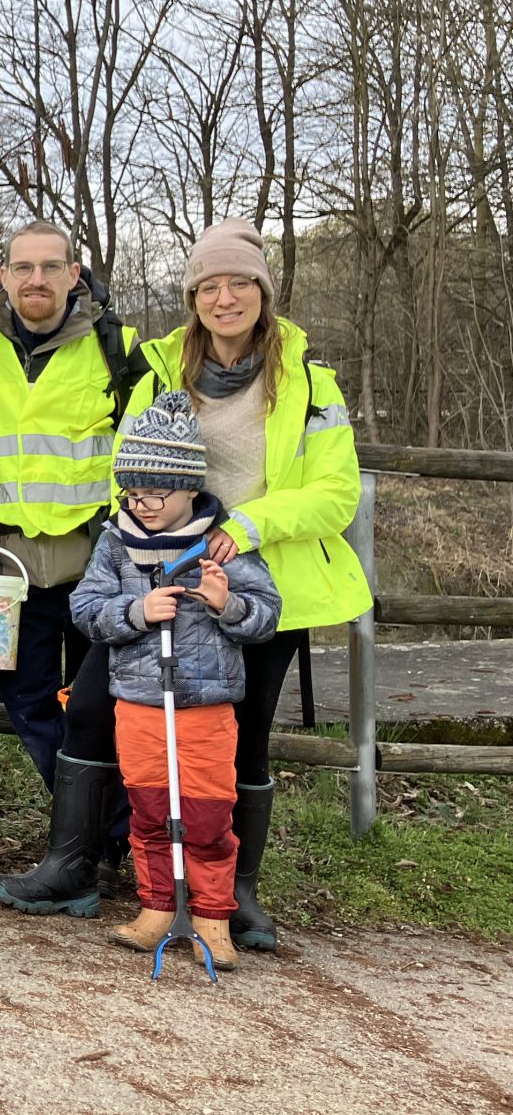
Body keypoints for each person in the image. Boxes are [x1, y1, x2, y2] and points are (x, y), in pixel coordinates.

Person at [109, 220, 370, 951]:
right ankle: (125, 872)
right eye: (209, 286)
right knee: (113, 713)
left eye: (239, 283)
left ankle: (234, 894)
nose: (225, 298)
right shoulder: (160, 374)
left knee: (243, 736)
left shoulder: (312, 384)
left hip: (262, 585)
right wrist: (141, 542)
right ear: (193, 298)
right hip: (165, 574)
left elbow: (336, 493)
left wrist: (249, 525)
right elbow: (124, 470)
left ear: (263, 290)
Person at [0, 222, 145, 911]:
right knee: (26, 702)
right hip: (2, 562)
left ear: (75, 274)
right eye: (22, 268)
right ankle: (109, 838)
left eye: (50, 267)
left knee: (98, 710)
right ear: (3, 278)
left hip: (97, 566)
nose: (36, 279)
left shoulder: (119, 347)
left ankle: (88, 853)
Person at [70, 392, 282, 971]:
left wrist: (226, 603)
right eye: (132, 493)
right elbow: (85, 608)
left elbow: (267, 617)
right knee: (149, 810)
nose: (142, 506)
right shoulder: (116, 542)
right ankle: (158, 908)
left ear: (189, 489)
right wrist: (137, 611)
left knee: (208, 814)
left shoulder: (221, 546)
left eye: (155, 494)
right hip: (138, 703)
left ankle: (212, 917)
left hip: (206, 706)